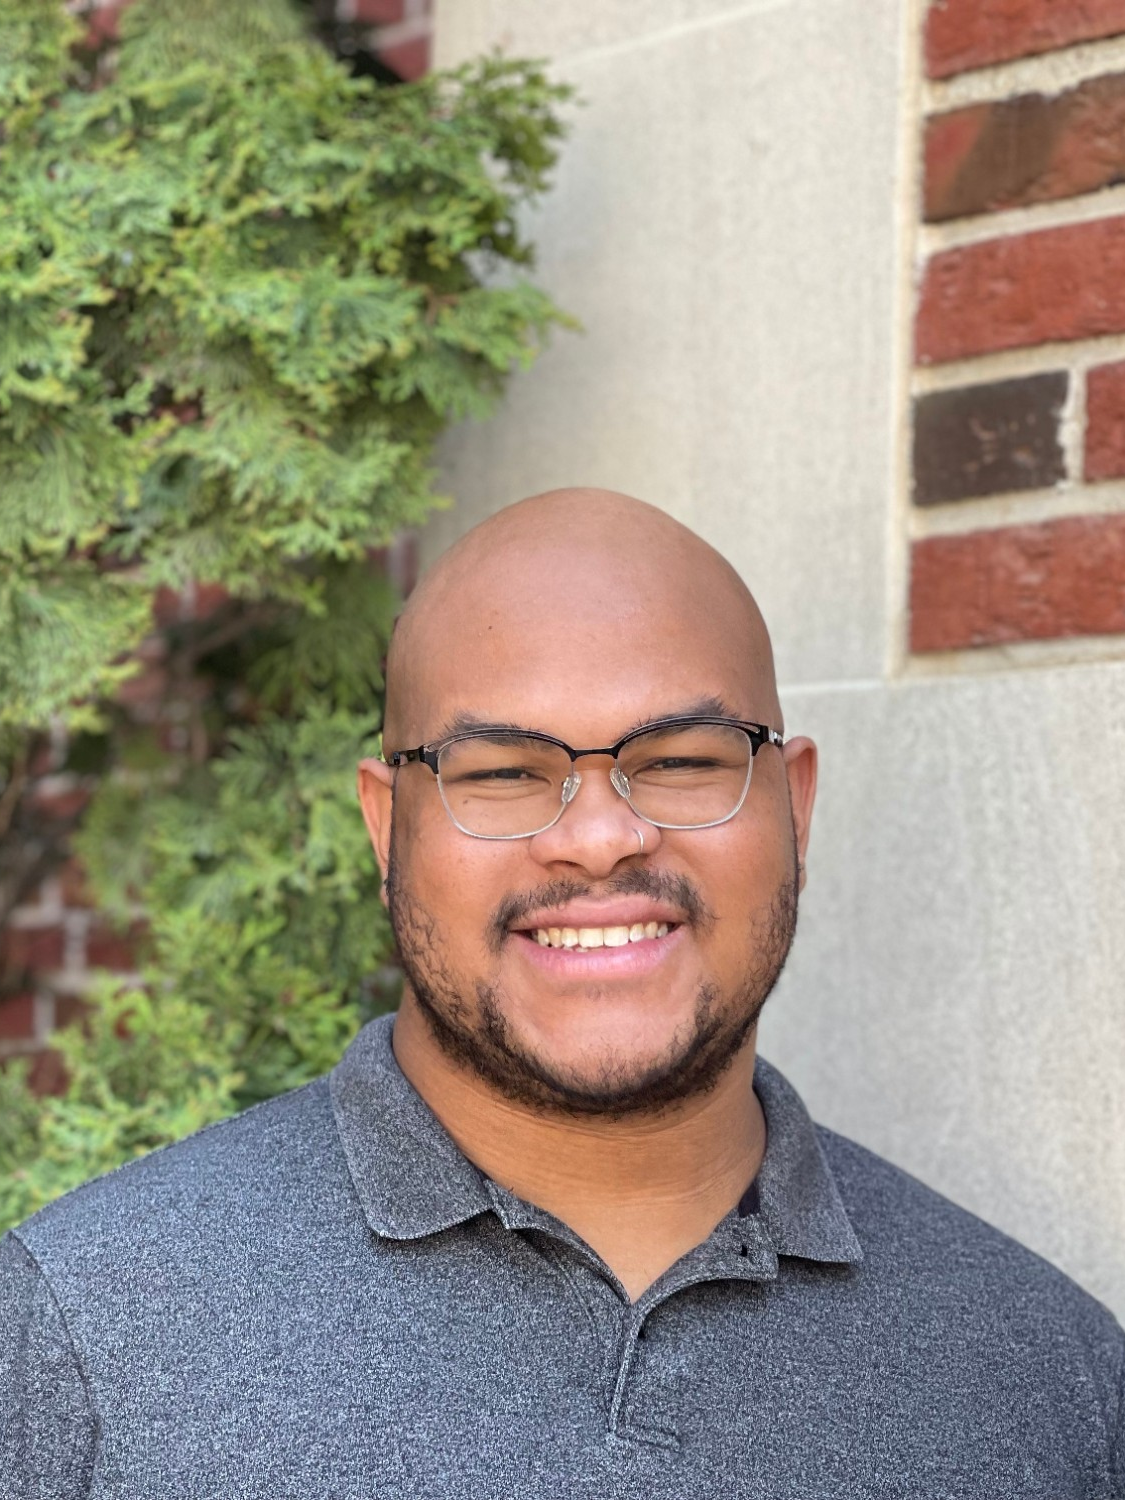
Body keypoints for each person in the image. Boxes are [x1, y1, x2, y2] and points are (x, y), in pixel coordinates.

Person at [1, 488, 1122, 1499]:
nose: (598, 838)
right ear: (387, 829)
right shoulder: (76, 1339)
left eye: (682, 760)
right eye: (502, 772)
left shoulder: (1049, 1380)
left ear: (795, 807)